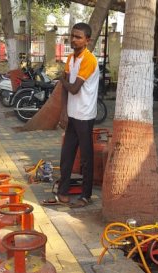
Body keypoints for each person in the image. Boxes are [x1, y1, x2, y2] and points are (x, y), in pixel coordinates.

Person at [55, 22, 99, 208]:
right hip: (73, 114)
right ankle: (63, 192)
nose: (73, 39)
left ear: (87, 40)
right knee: (66, 154)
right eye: (72, 36)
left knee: (86, 157)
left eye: (78, 37)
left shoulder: (89, 59)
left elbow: (73, 88)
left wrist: (61, 79)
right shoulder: (71, 58)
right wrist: (64, 111)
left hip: (85, 115)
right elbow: (66, 89)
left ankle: (86, 195)